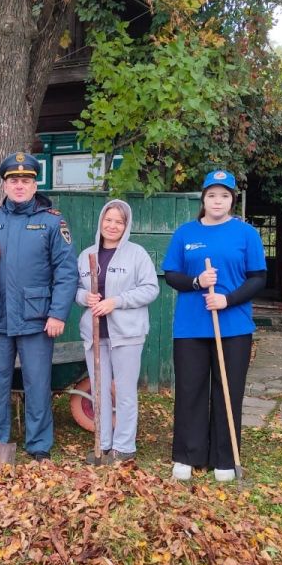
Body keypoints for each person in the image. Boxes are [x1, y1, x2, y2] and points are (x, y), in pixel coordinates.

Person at [0, 151, 78, 461]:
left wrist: (57, 313)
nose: (20, 185)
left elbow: (66, 272)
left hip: (37, 318)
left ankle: (38, 446)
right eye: (14, 180)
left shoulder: (52, 222)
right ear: (5, 185)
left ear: (35, 184)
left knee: (37, 383)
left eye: (26, 180)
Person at [161, 170, 266, 482]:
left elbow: (258, 278)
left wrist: (227, 299)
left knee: (228, 390)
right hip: (191, 327)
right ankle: (187, 454)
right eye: (212, 195)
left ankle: (225, 456)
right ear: (203, 199)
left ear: (232, 199)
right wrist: (197, 282)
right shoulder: (185, 233)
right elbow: (171, 275)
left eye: (224, 195)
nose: (217, 201)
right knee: (191, 390)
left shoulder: (247, 234)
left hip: (233, 326)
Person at [75, 199, 159, 464]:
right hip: (95, 333)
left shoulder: (137, 254)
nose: (112, 226)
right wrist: (84, 298)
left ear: (126, 226)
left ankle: (124, 447)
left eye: (118, 222)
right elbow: (77, 289)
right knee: (98, 389)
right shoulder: (87, 254)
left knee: (123, 390)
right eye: (108, 220)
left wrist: (116, 301)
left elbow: (150, 288)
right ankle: (103, 444)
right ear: (101, 222)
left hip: (126, 334)